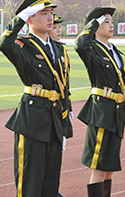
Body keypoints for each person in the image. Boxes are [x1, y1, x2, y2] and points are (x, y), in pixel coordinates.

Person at [0, 0, 68, 197]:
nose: (50, 18)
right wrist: (21, 17)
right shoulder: (23, 45)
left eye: (51, 13)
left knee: (50, 185)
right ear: (30, 18)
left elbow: (63, 84)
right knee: (30, 184)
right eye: (43, 13)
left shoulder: (58, 47)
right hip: (33, 120)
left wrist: (65, 120)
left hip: (54, 119)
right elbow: (4, 43)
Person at [75, 7, 125, 197]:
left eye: (111, 21)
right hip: (102, 111)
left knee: (109, 165)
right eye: (106, 21)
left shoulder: (114, 51)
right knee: (98, 165)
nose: (111, 24)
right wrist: (93, 24)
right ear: (95, 25)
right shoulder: (92, 50)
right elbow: (79, 44)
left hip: (117, 111)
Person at [49, 15, 73, 197]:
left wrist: (69, 106)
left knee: (57, 153)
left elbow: (65, 83)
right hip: (49, 105)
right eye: (55, 27)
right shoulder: (48, 50)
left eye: (59, 27)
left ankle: (54, 190)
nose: (59, 30)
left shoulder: (61, 50)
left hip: (61, 107)